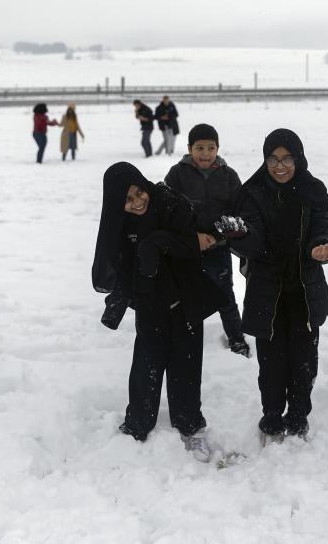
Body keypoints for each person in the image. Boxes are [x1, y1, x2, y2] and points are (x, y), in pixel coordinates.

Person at [91, 162, 227, 461]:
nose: (138, 201)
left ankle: (190, 425)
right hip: (151, 304)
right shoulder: (120, 225)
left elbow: (192, 246)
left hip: (185, 300)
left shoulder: (169, 203)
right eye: (128, 199)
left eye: (139, 191)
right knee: (146, 366)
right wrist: (121, 299)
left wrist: (155, 242)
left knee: (186, 367)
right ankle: (138, 424)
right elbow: (123, 267)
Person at [217, 129, 328, 445]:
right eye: (273, 159)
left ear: (298, 158)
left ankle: (298, 419)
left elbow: (324, 223)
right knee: (271, 366)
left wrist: (322, 244)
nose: (279, 166)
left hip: (304, 292)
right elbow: (253, 244)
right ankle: (271, 419)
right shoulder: (253, 192)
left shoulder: (313, 190)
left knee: (304, 363)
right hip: (266, 294)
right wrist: (240, 233)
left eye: (286, 159)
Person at [164, 123, 250, 358]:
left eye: (211, 148)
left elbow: (238, 211)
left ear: (218, 148)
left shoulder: (228, 175)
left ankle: (236, 338)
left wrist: (215, 236)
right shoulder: (177, 174)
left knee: (225, 296)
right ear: (190, 148)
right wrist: (194, 237)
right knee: (183, 297)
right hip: (187, 251)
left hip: (218, 249)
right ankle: (182, 339)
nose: (205, 153)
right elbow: (167, 210)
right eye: (200, 147)